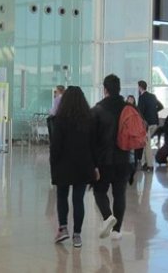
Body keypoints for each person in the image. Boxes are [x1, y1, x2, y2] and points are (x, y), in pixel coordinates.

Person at [49, 86, 97, 248]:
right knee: (78, 199)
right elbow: (93, 145)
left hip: (63, 164)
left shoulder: (60, 119)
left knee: (62, 196)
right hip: (83, 165)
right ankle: (77, 235)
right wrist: (94, 166)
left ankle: (63, 228)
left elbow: (55, 146)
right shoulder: (89, 119)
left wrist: (53, 164)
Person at [91, 74, 130, 240]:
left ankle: (108, 217)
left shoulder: (98, 109)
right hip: (123, 158)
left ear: (105, 89)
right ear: (119, 88)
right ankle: (117, 231)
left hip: (104, 159)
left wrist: (92, 163)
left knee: (99, 191)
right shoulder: (128, 108)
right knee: (120, 193)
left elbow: (91, 138)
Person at [136, 80, 164, 172]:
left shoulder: (142, 97)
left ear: (140, 87)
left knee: (147, 144)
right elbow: (161, 106)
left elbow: (140, 112)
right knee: (146, 142)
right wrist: (154, 111)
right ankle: (143, 163)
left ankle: (150, 165)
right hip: (155, 123)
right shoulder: (153, 96)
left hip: (146, 124)